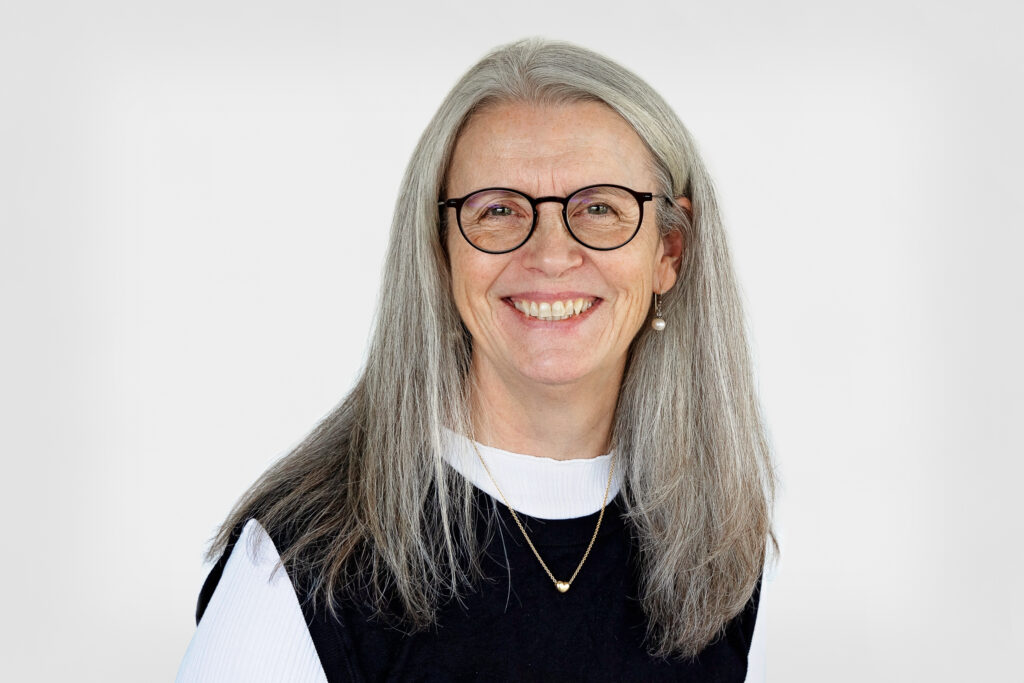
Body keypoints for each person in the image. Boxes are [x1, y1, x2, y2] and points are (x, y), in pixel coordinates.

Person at [177, 37, 778, 682]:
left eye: (600, 208)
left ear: (669, 253)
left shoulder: (715, 550)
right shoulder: (300, 569)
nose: (551, 255)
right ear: (440, 253)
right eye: (498, 210)